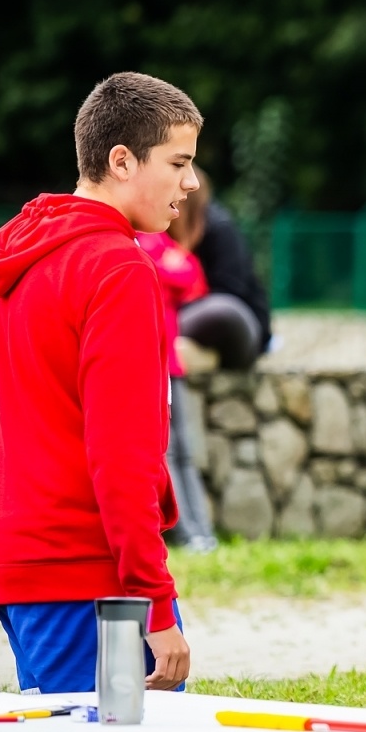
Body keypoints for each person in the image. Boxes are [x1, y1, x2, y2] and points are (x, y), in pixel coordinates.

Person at [0, 71, 199, 732]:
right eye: (176, 163)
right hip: (91, 575)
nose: (187, 184)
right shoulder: (114, 266)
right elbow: (123, 460)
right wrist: (155, 601)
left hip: (23, 566)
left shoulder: (27, 262)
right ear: (119, 159)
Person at [139, 228, 219, 552]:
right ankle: (186, 532)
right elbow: (157, 272)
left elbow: (193, 279)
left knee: (186, 451)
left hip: (172, 365)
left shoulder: (159, 240)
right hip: (150, 366)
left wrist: (169, 267)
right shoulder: (137, 241)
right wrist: (168, 267)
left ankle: (203, 530)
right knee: (167, 452)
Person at [169, 168, 271, 370]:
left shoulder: (219, 229)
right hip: (194, 321)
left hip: (241, 329)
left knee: (222, 310)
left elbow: (230, 292)